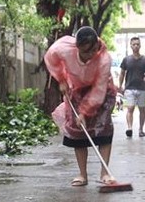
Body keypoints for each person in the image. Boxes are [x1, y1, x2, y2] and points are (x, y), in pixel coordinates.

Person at [44, 26, 118, 187]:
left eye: (93, 51)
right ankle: (82, 174)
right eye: (86, 52)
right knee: (78, 132)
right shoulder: (63, 48)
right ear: (77, 47)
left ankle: (105, 173)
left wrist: (85, 112)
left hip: (103, 91)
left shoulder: (104, 59)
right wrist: (61, 79)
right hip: (76, 89)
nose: (90, 56)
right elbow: (50, 58)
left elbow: (99, 90)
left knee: (103, 129)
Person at [118, 37, 145, 138]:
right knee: (130, 108)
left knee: (142, 109)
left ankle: (141, 129)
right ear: (130, 46)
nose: (136, 46)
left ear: (140, 45)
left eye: (137, 44)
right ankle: (129, 128)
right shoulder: (126, 60)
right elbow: (122, 73)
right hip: (129, 88)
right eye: (134, 44)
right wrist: (120, 85)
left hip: (142, 88)